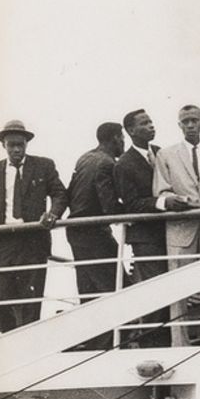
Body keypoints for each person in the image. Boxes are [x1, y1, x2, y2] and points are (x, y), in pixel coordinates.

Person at [0, 119, 70, 333]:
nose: (17, 149)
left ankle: (26, 341)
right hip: (1, 243)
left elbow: (59, 193)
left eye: (20, 144)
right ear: (4, 145)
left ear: (26, 144)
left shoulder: (43, 166)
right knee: (0, 295)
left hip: (31, 242)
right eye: (12, 145)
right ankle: (8, 339)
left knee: (30, 299)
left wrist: (53, 214)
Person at [155, 104, 200, 346]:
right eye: (185, 121)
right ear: (179, 125)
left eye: (194, 120)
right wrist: (193, 204)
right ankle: (180, 344)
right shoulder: (165, 155)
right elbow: (163, 192)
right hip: (181, 229)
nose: (190, 125)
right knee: (178, 288)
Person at [115, 109, 170, 345]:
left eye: (151, 121)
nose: (151, 126)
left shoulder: (161, 153)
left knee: (172, 288)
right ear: (130, 130)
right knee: (154, 292)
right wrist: (162, 203)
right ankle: (153, 345)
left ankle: (171, 341)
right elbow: (131, 204)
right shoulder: (124, 164)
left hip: (171, 234)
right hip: (146, 237)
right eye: (144, 123)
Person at [64, 122, 126, 311]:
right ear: (115, 138)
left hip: (77, 231)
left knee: (88, 290)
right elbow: (110, 207)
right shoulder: (107, 163)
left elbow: (71, 193)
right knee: (115, 285)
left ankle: (97, 339)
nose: (123, 143)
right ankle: (116, 336)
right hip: (93, 233)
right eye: (122, 138)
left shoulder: (85, 158)